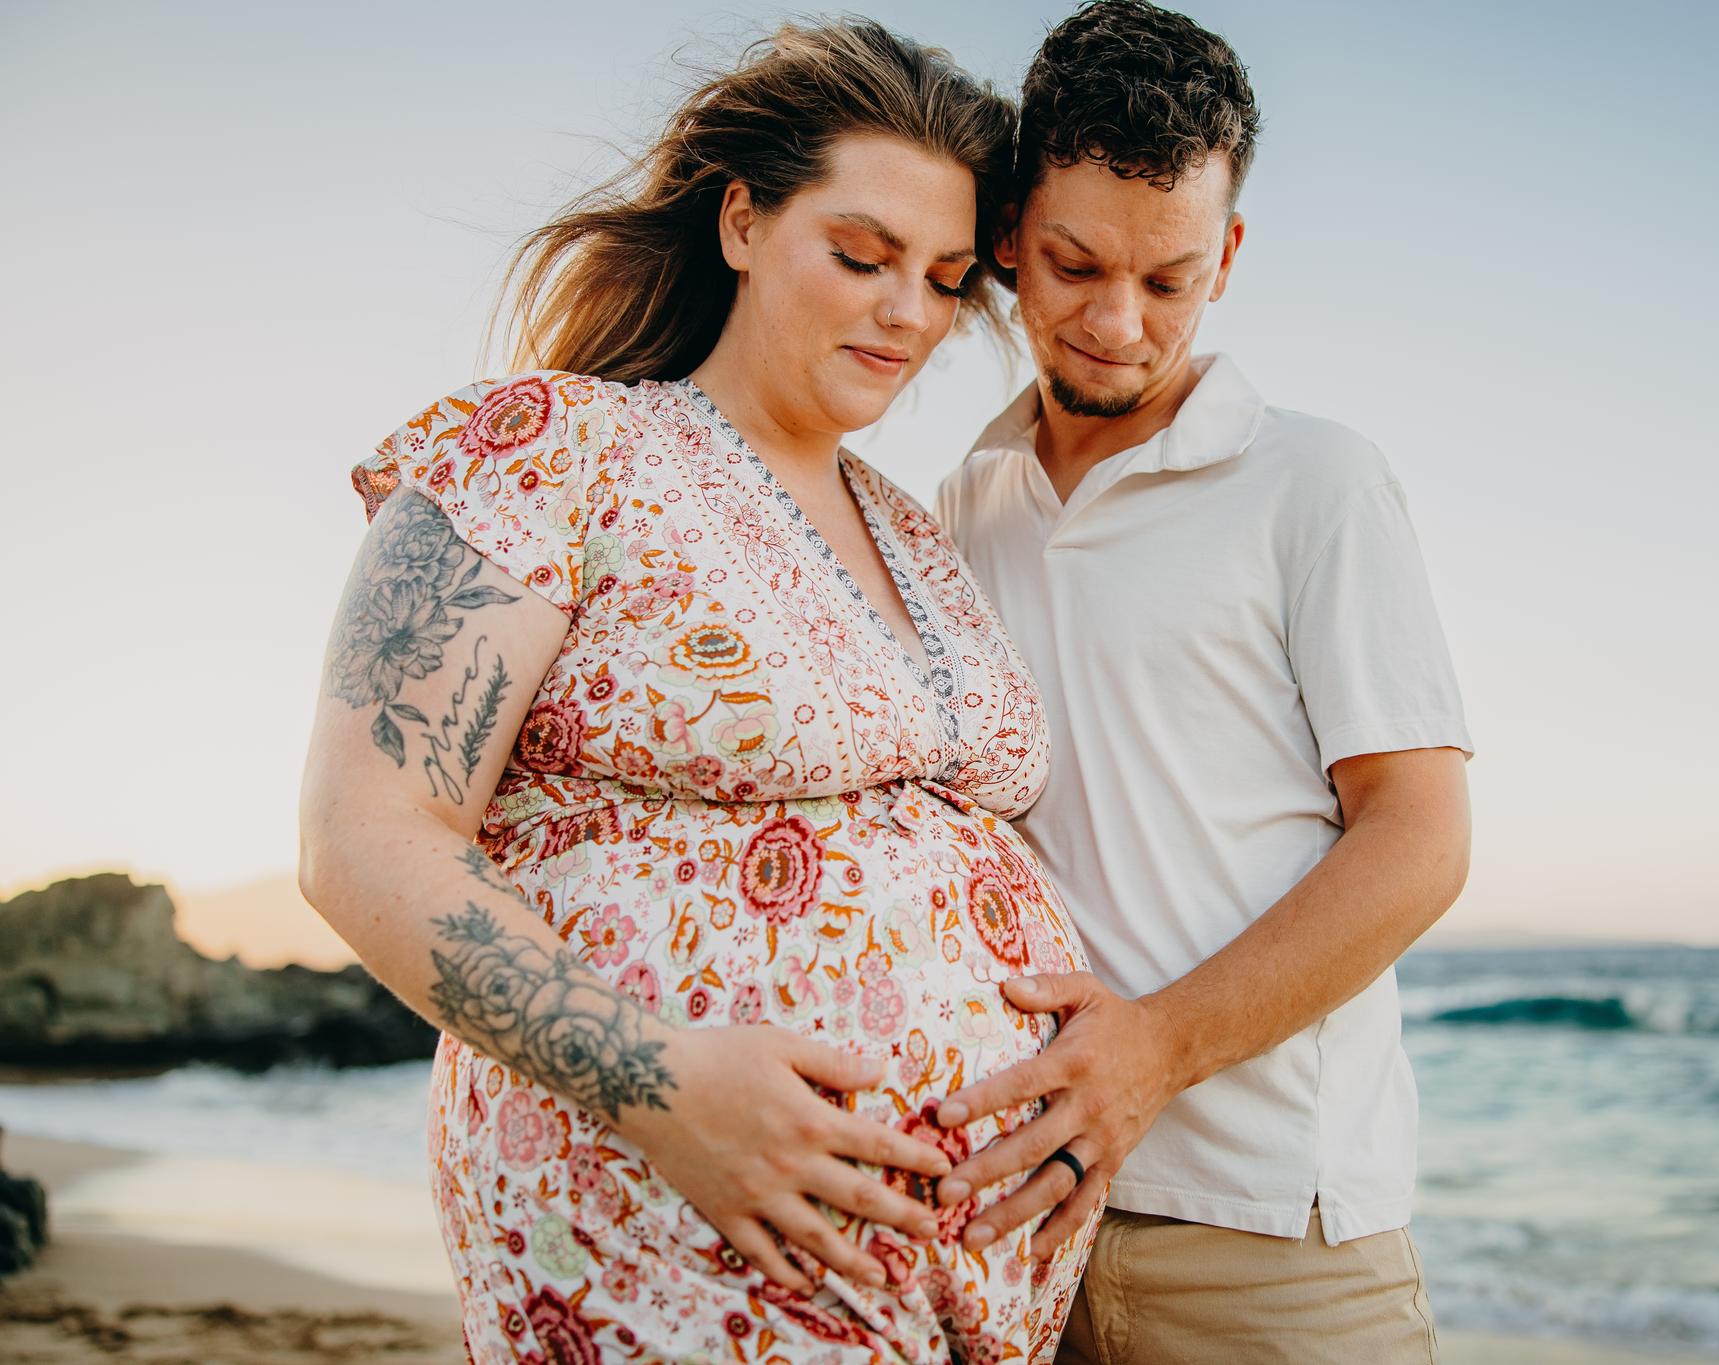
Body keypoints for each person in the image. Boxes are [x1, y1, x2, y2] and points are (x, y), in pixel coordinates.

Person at [297, 20, 1101, 1364]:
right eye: (860, 254)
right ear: (740, 220)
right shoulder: (555, 447)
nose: (908, 310)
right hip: (660, 1220)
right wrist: (667, 1088)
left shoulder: (919, 532)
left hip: (967, 1291)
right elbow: (359, 838)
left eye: (948, 278)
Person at [930, 4, 1473, 1362]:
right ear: (1008, 234)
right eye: (1074, 265)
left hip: (1275, 1237)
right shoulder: (959, 505)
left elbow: (1421, 838)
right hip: (1024, 1217)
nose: (1120, 321)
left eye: (1169, 280)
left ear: (1227, 255)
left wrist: (1154, 1051)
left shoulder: (1320, 484)